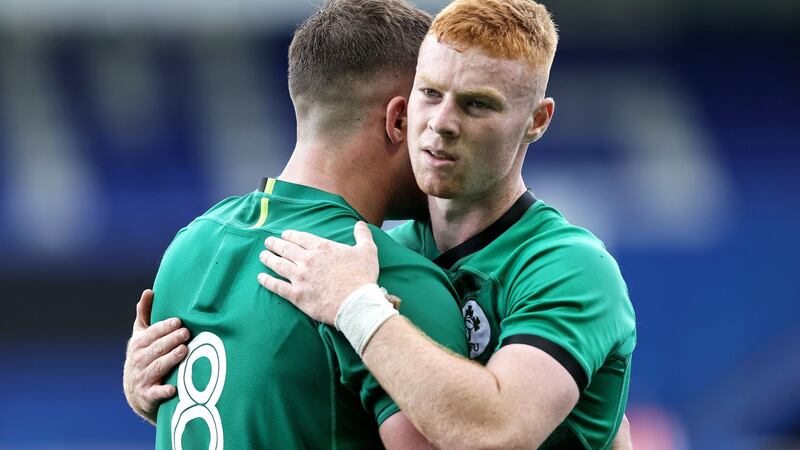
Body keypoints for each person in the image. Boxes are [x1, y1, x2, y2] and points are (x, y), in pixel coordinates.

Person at [255, 0, 637, 448]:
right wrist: (184, 366)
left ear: (537, 120)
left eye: (477, 104)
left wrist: (356, 307)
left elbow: (497, 432)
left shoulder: (570, 268)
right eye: (430, 93)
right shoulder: (379, 253)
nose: (441, 123)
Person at [123, 0, 469, 448]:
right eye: (433, 103)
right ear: (399, 120)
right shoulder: (385, 279)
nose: (445, 129)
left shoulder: (190, 246)